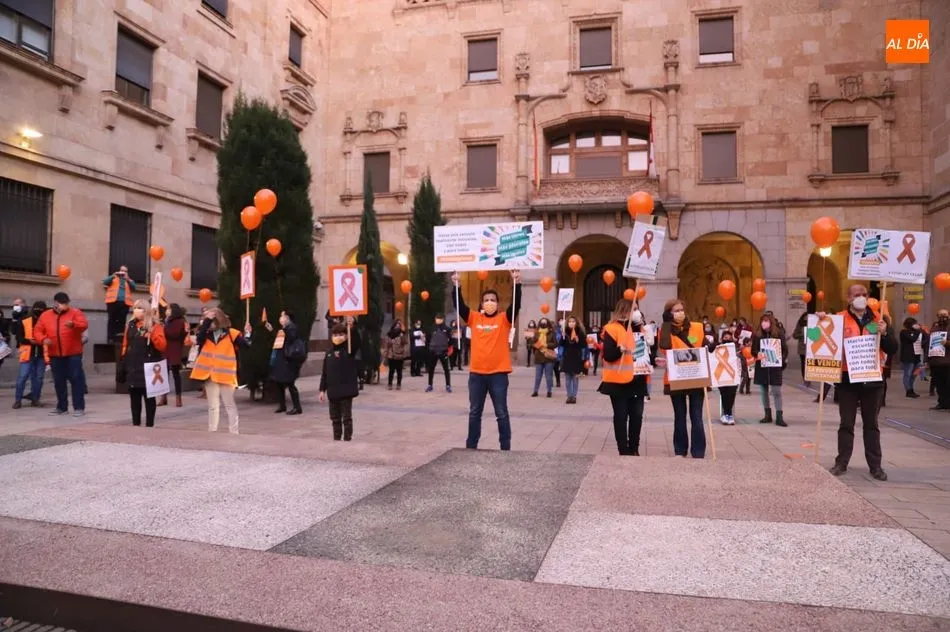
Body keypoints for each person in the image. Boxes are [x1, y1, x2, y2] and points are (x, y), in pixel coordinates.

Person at [820, 285, 897, 481]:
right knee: (846, 423)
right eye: (857, 295)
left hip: (872, 380)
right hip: (847, 380)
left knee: (871, 424)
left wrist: (885, 333)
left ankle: (875, 466)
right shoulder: (838, 319)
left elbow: (892, 348)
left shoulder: (879, 319)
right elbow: (821, 340)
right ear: (848, 298)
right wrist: (818, 323)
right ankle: (841, 463)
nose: (861, 298)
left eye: (864, 295)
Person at [451, 270, 522, 451]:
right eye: (486, 300)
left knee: (501, 413)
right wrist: (456, 286)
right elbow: (459, 305)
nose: (490, 302)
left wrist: (517, 284)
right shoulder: (474, 318)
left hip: (498, 374)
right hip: (477, 374)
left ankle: (505, 448)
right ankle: (471, 445)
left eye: (493, 300)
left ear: (497, 304)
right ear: (482, 303)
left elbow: (516, 305)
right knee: (475, 413)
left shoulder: (504, 319)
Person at [598, 299, 651, 454]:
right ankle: (623, 449)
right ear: (624, 310)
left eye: (637, 310)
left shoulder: (640, 329)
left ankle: (634, 448)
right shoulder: (612, 329)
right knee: (621, 416)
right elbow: (608, 355)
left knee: (637, 415)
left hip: (638, 379)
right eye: (633, 309)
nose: (636, 313)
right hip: (619, 381)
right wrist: (620, 349)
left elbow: (645, 353)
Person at [657, 298, 707, 458]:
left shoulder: (698, 327)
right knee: (680, 416)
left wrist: (710, 345)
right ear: (669, 313)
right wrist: (666, 324)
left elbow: (704, 345)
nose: (679, 313)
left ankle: (698, 451)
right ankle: (680, 449)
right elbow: (664, 347)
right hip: (676, 378)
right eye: (675, 311)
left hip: (696, 376)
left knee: (697, 416)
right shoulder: (665, 330)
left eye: (681, 310)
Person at [190, 307, 251, 434]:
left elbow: (246, 346)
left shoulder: (232, 334)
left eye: (209, 320)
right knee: (213, 406)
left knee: (229, 404)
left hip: (226, 376)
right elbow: (199, 340)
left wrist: (248, 334)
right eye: (205, 320)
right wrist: (207, 321)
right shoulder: (206, 334)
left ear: (217, 320)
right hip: (210, 374)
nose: (205, 322)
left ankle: (234, 432)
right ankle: (212, 430)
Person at [33, 292, 88, 417]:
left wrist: (74, 325)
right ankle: (62, 407)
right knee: (59, 381)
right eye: (62, 303)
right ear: (56, 303)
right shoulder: (45, 315)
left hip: (73, 353)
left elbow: (84, 325)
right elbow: (37, 331)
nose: (65, 306)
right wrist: (42, 339)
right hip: (55, 353)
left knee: (76, 380)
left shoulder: (75, 312)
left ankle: (79, 407)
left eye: (66, 303)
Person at [120, 300, 167, 427]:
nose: (137, 310)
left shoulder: (154, 326)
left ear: (146, 310)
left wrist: (151, 336)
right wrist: (123, 361)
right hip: (133, 367)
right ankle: (136, 424)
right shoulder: (130, 325)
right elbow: (125, 345)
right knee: (134, 399)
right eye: (135, 308)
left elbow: (162, 346)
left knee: (149, 398)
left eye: (140, 308)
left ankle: (149, 425)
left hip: (148, 367)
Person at [319, 323, 360, 440]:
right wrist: (322, 390)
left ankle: (347, 438)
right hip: (333, 390)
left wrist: (352, 328)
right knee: (334, 418)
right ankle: (336, 438)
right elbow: (324, 373)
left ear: (346, 336)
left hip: (346, 390)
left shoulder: (349, 350)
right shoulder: (329, 353)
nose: (338, 337)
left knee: (346, 417)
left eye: (341, 334)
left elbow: (356, 341)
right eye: (335, 334)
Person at [752, 313, 789, 427]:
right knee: (764, 391)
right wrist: (758, 354)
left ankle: (779, 416)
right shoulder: (758, 335)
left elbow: (784, 349)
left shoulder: (778, 334)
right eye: (763, 321)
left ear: (771, 322)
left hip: (774, 367)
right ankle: (767, 414)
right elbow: (753, 350)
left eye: (766, 321)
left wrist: (781, 359)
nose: (764, 323)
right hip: (762, 367)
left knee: (776, 391)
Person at [12, 301, 49, 409]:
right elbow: (19, 338)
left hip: (41, 354)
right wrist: (30, 341)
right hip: (27, 354)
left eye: (42, 309)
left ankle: (35, 399)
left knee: (39, 378)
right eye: (37, 309)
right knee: (22, 377)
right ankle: (18, 400)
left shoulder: (46, 322)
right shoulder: (24, 320)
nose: (39, 311)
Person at [267, 310, 305, 414]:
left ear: (287, 317)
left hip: (288, 360)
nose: (281, 318)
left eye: (282, 316)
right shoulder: (285, 329)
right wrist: (273, 330)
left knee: (290, 384)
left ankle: (297, 407)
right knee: (279, 383)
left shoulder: (292, 328)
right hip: (281, 359)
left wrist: (283, 329)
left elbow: (290, 338)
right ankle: (282, 405)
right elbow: (280, 341)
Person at [163, 303, 190, 407]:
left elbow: (174, 334)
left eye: (168, 309)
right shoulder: (167, 321)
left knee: (175, 374)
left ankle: (178, 398)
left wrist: (164, 328)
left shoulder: (179, 322)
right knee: (164, 375)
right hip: (166, 350)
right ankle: (163, 397)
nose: (167, 311)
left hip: (174, 350)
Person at [103, 265, 135, 341]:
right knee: (111, 319)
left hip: (124, 303)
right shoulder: (113, 278)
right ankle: (110, 337)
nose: (123, 272)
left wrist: (128, 279)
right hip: (112, 302)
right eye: (122, 270)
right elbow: (105, 282)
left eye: (125, 271)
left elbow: (134, 287)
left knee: (122, 320)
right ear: (119, 271)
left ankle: (120, 337)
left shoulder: (129, 280)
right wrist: (113, 275)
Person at [560, 316, 586, 404]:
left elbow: (583, 345)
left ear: (576, 323)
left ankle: (574, 396)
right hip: (567, 357)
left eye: (573, 321)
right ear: (567, 323)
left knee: (575, 378)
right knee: (567, 379)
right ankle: (569, 396)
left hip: (576, 357)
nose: (571, 323)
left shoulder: (580, 332)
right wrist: (562, 336)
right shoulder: (565, 332)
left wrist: (578, 340)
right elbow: (561, 344)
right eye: (570, 321)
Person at [530, 317, 557, 398]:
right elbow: (532, 343)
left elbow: (555, 344)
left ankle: (549, 391)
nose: (543, 323)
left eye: (545, 322)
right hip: (539, 356)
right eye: (542, 322)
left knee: (548, 375)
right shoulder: (536, 332)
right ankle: (535, 391)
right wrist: (536, 345)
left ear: (547, 323)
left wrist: (547, 345)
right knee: (538, 375)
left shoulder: (552, 333)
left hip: (548, 356)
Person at [717, 329, 740, 425]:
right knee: (724, 394)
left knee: (732, 394)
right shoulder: (717, 348)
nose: (727, 339)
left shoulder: (736, 349)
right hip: (721, 374)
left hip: (733, 375)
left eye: (729, 338)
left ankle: (728, 414)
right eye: (725, 338)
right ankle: (726, 414)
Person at [928, 309, 950, 410]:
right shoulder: (934, 327)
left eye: (945, 314)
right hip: (935, 361)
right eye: (940, 315)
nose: (943, 317)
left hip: (947, 361)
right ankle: (942, 403)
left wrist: (947, 343)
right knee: (939, 384)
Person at [426, 314, 453, 393]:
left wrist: (449, 348)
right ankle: (430, 385)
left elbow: (451, 340)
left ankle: (448, 385)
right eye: (437, 318)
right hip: (433, 351)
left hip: (443, 351)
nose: (438, 320)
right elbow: (427, 340)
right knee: (431, 369)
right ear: (435, 319)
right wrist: (429, 349)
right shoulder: (431, 328)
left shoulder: (447, 329)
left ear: (443, 319)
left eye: (440, 319)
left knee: (446, 369)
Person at [899, 317, 922, 399]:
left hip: (917, 355)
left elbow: (924, 338)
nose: (916, 325)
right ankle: (909, 390)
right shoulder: (904, 332)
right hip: (908, 356)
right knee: (907, 374)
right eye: (914, 324)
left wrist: (920, 330)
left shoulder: (917, 332)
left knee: (915, 373)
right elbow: (913, 339)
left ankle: (911, 388)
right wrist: (918, 331)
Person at [384, 319, 410, 390]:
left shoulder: (402, 334)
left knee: (399, 371)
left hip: (400, 355)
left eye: (399, 325)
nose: (397, 326)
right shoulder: (389, 334)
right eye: (396, 325)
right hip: (391, 355)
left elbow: (405, 342)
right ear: (394, 325)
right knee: (391, 371)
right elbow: (386, 345)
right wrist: (385, 355)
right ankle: (390, 384)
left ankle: (399, 384)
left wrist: (403, 334)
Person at [792, 312, 809, 387]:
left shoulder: (813, 324)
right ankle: (805, 380)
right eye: (806, 317)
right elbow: (795, 335)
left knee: (808, 365)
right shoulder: (800, 324)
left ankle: (808, 378)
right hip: (802, 348)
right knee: (804, 364)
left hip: (811, 349)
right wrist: (803, 334)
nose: (807, 318)